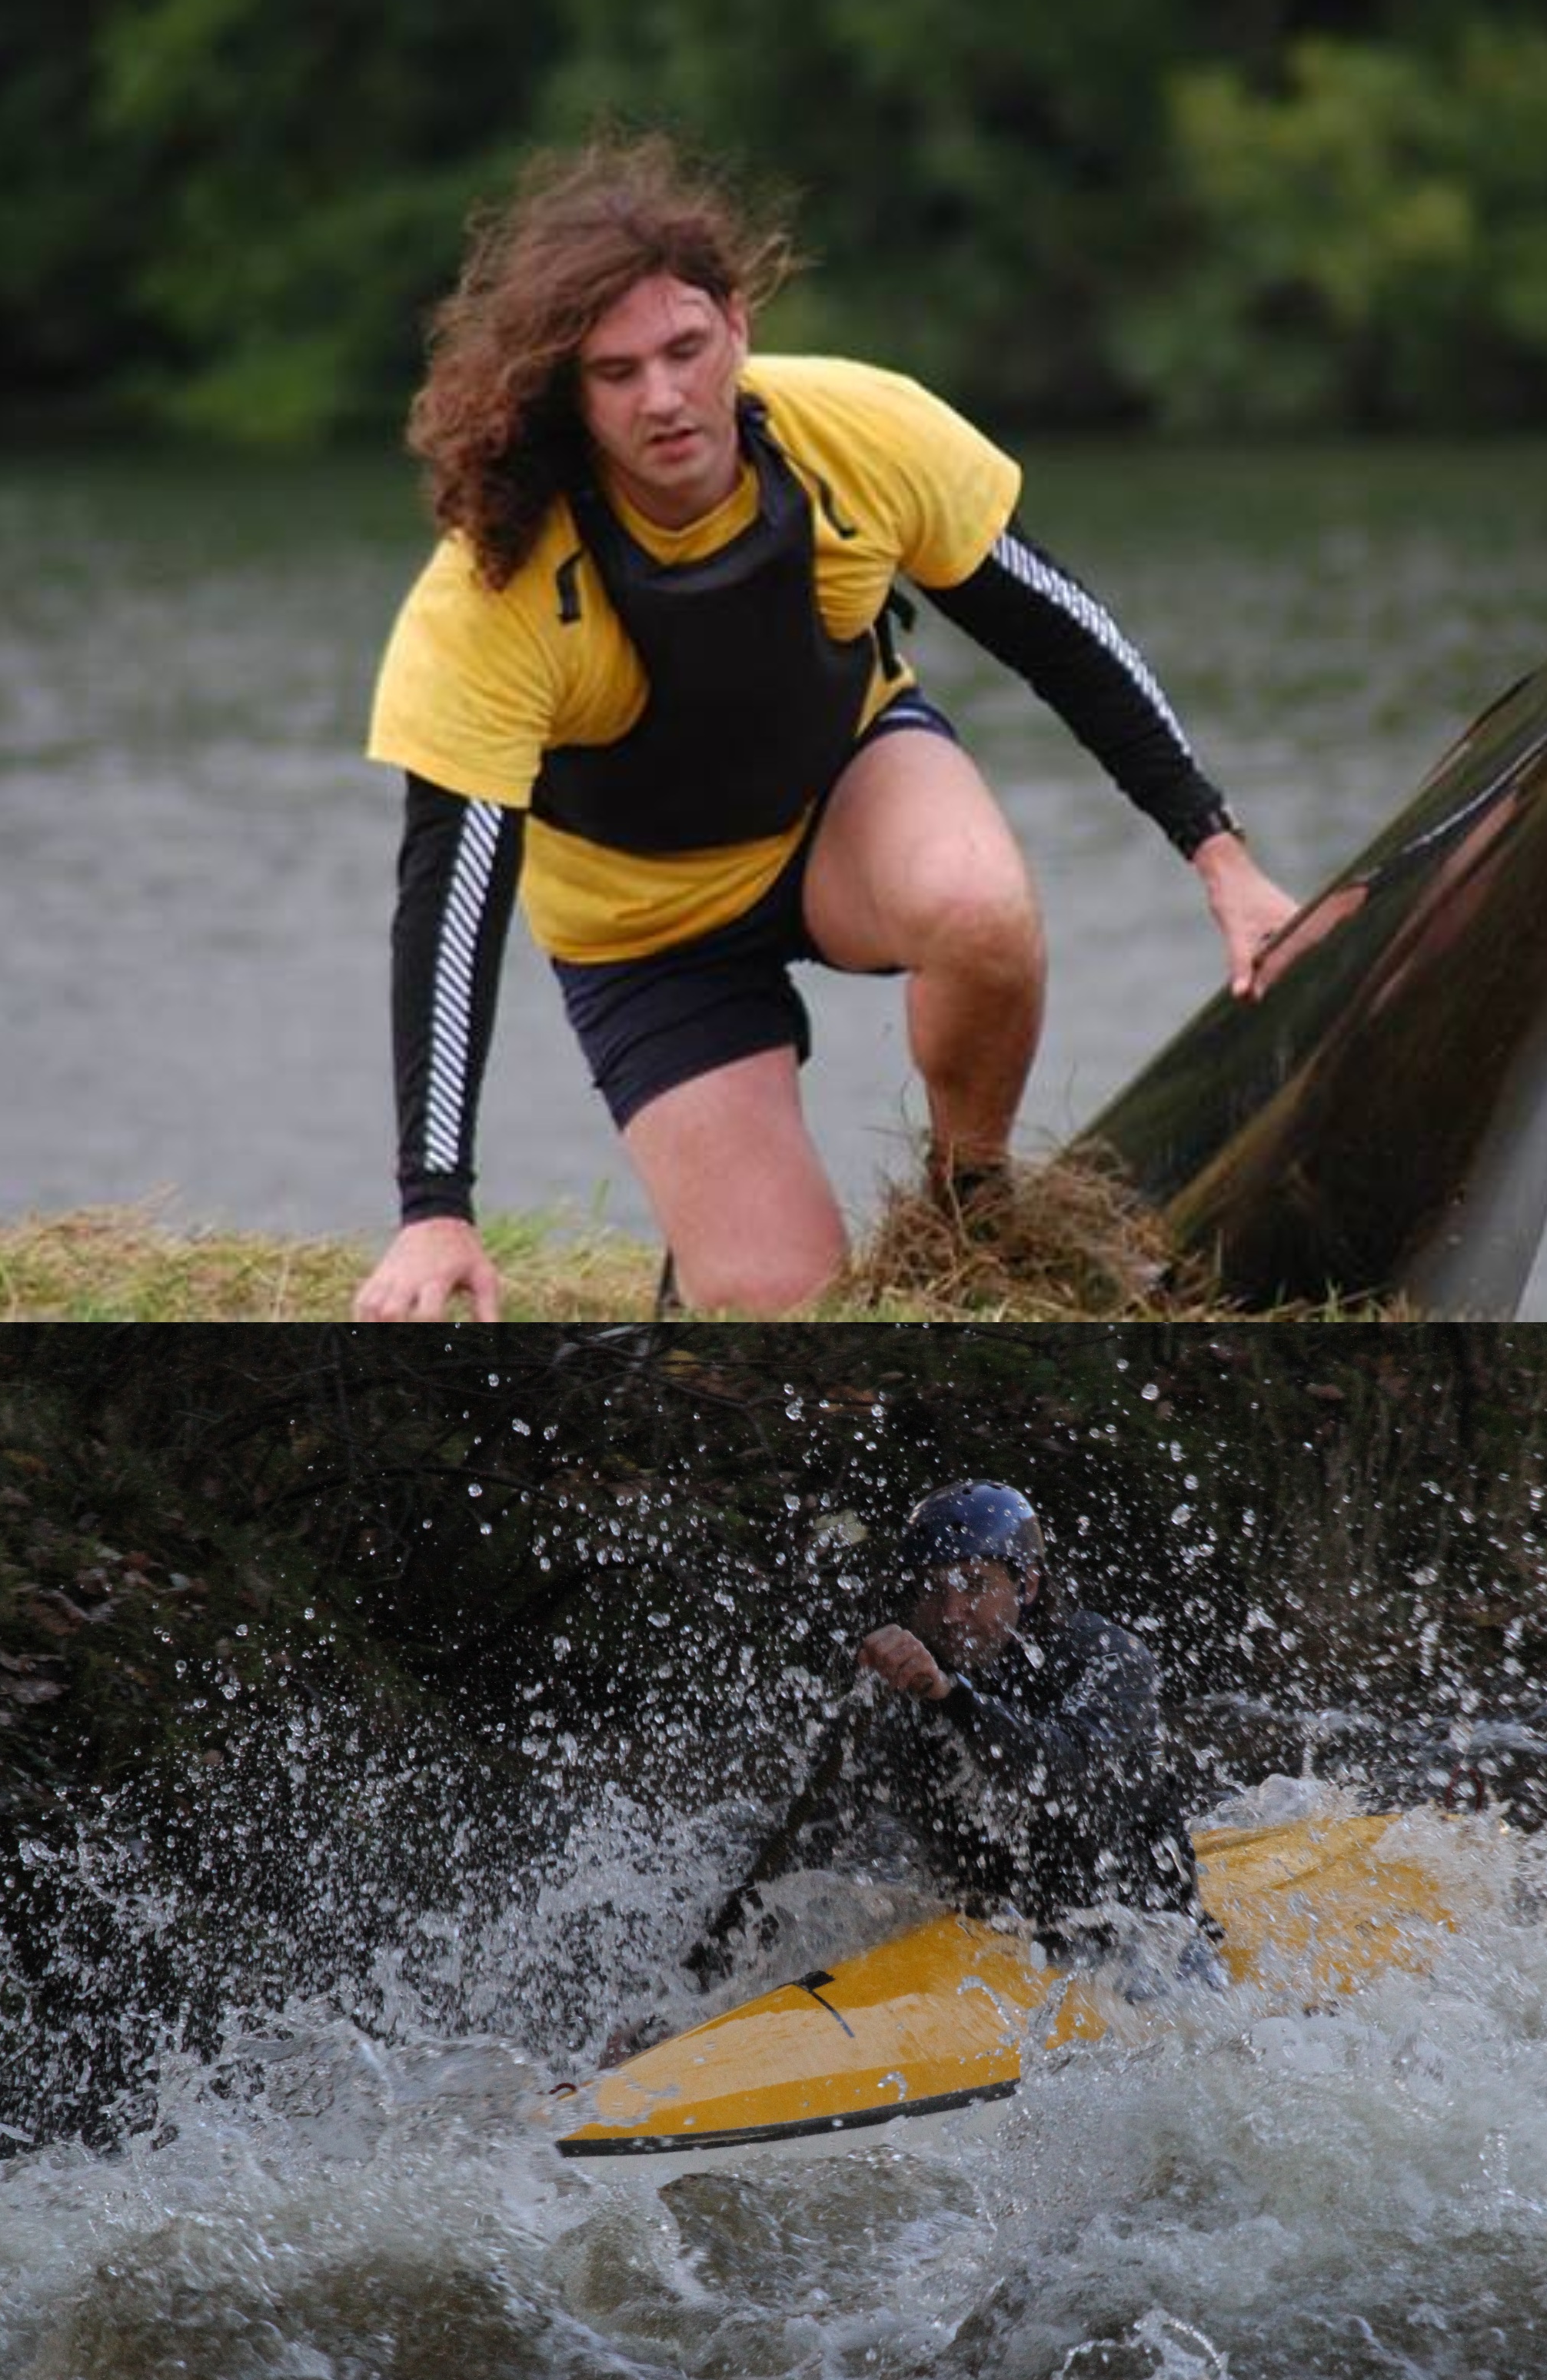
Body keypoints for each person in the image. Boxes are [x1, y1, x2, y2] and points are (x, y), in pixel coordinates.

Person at [350, 135, 1305, 1324]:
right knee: (780, 1309)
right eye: (616, 372)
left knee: (979, 909)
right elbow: (449, 900)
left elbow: (1061, 631)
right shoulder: (495, 584)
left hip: (843, 798)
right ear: (568, 391)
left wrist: (1221, 857)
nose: (661, 397)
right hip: (648, 933)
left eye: (684, 350)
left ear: (736, 327)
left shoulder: (856, 431)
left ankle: (970, 1209)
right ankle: (704, 1259)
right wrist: (434, 1202)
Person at [685, 1479, 1195, 1996]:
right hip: (997, 1950)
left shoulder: (1107, 1656)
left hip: (1144, 1942)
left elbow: (1059, 1770)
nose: (951, 1612)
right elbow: (796, 1852)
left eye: (974, 1585)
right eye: (932, 1589)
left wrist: (953, 1696)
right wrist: (690, 1998)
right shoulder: (897, 1693)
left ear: (1028, 1586)